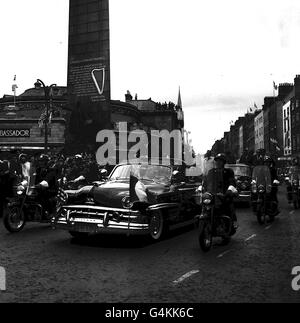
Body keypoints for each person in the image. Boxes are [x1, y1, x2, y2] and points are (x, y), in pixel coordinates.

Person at [204, 153, 238, 228]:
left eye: (220, 161)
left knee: (229, 204)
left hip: (224, 195)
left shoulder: (229, 171)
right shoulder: (211, 171)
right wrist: (202, 189)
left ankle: (231, 222)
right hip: (213, 195)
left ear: (224, 162)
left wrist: (230, 189)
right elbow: (206, 182)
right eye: (217, 161)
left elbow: (232, 182)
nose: (218, 162)